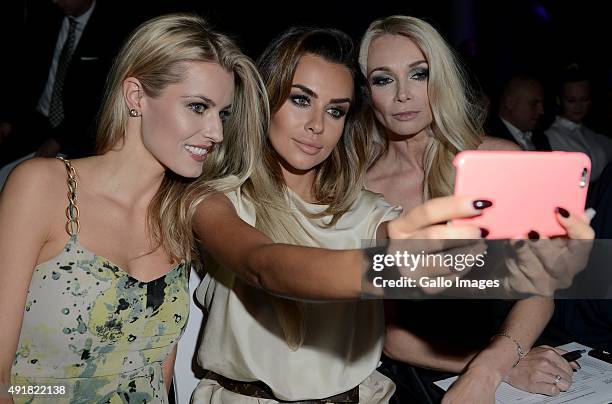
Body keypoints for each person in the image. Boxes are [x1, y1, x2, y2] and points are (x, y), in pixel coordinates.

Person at [181, 25, 593, 403]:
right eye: (300, 99)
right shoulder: (224, 198)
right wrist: (394, 265)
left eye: (336, 110)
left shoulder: (362, 202)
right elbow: (268, 266)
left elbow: (425, 250)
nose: (316, 125)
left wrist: (523, 268)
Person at [0, 13, 266, 403]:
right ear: (135, 96)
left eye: (222, 113)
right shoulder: (44, 187)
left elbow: (155, 375)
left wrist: (385, 268)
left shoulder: (181, 211)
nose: (216, 133)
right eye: (197, 107)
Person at [358, 15, 590, 403]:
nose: (403, 94)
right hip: (420, 375)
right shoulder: (362, 188)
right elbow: (386, 333)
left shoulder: (500, 158)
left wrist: (493, 367)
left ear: (441, 79)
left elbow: (539, 291)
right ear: (368, 91)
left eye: (419, 74)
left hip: (517, 345)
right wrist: (489, 368)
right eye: (383, 79)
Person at [0, 0, 130, 165]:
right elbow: (23, 70)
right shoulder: (44, 16)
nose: (56, 0)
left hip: (81, 130)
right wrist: (9, 118)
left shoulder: (113, 27)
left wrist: (60, 139)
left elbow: (100, 96)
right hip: (35, 120)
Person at [545, 66, 612, 183]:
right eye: (571, 100)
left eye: (584, 99)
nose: (578, 106)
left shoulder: (595, 135)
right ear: (559, 100)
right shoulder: (550, 136)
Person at [485, 74, 551, 151]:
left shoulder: (541, 139)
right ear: (510, 103)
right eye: (534, 103)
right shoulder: (487, 136)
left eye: (541, 104)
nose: (541, 111)